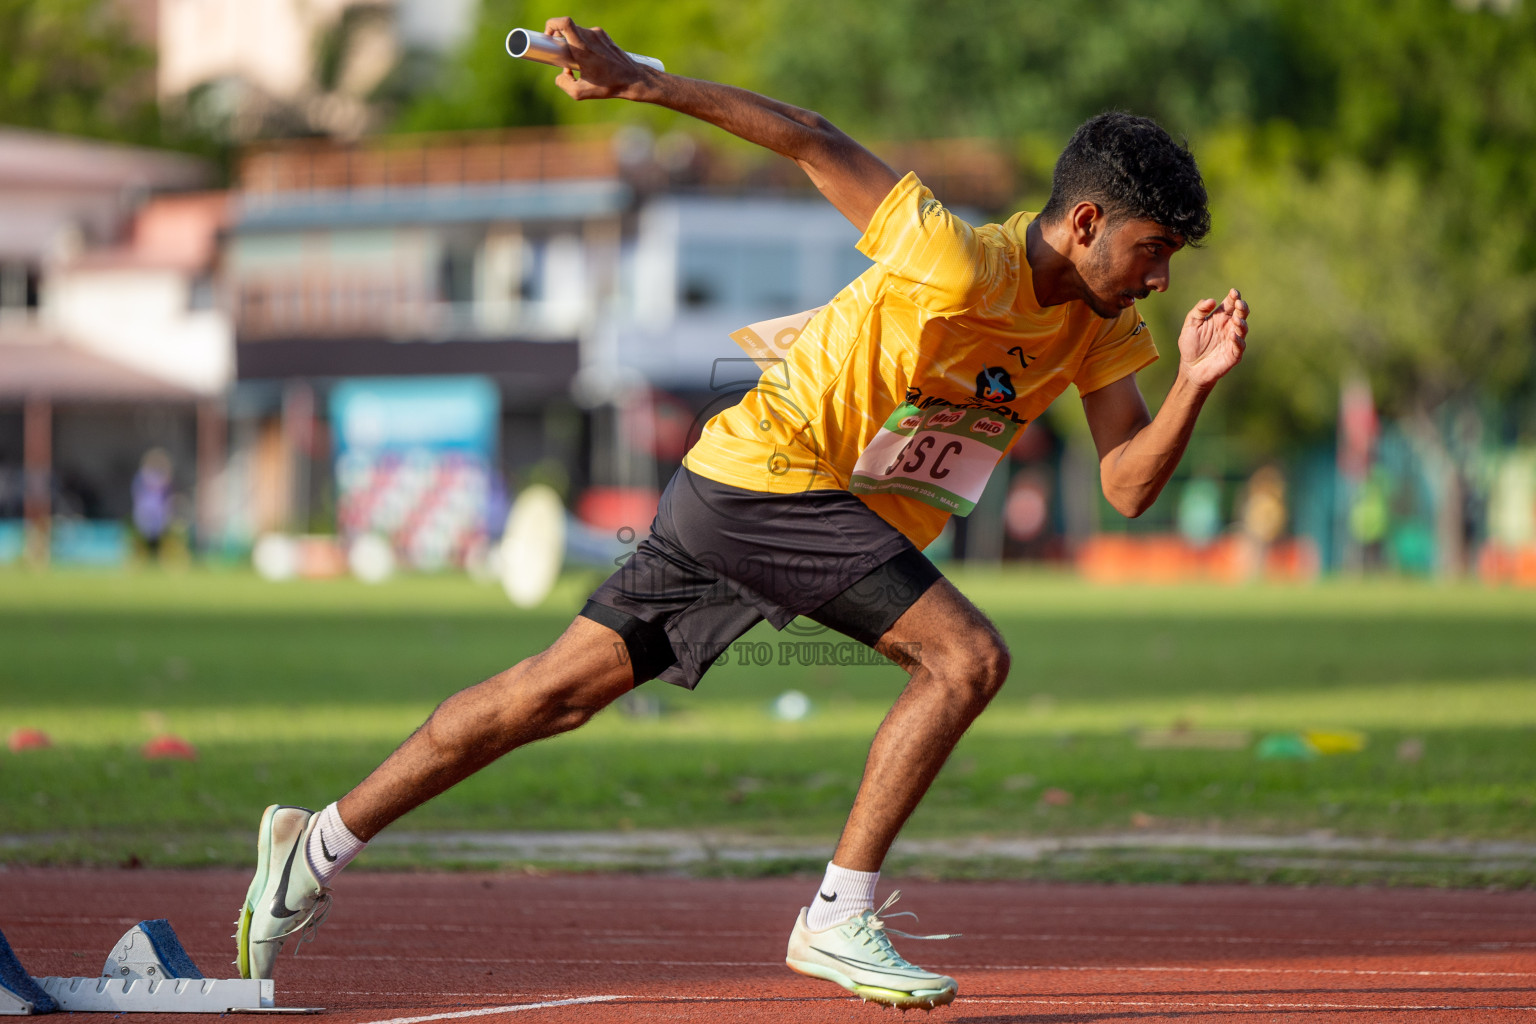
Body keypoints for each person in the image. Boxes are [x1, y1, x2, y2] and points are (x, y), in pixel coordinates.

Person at [235, 17, 1250, 1011]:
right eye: (1152, 250)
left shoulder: (1096, 328)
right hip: (773, 477)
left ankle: (313, 842)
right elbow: (810, 135)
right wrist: (637, 82)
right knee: (965, 658)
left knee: (554, 693)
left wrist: (1196, 385)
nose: (1160, 278)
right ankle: (836, 912)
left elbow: (1125, 483)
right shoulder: (955, 258)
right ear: (1083, 225)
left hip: (749, 494)